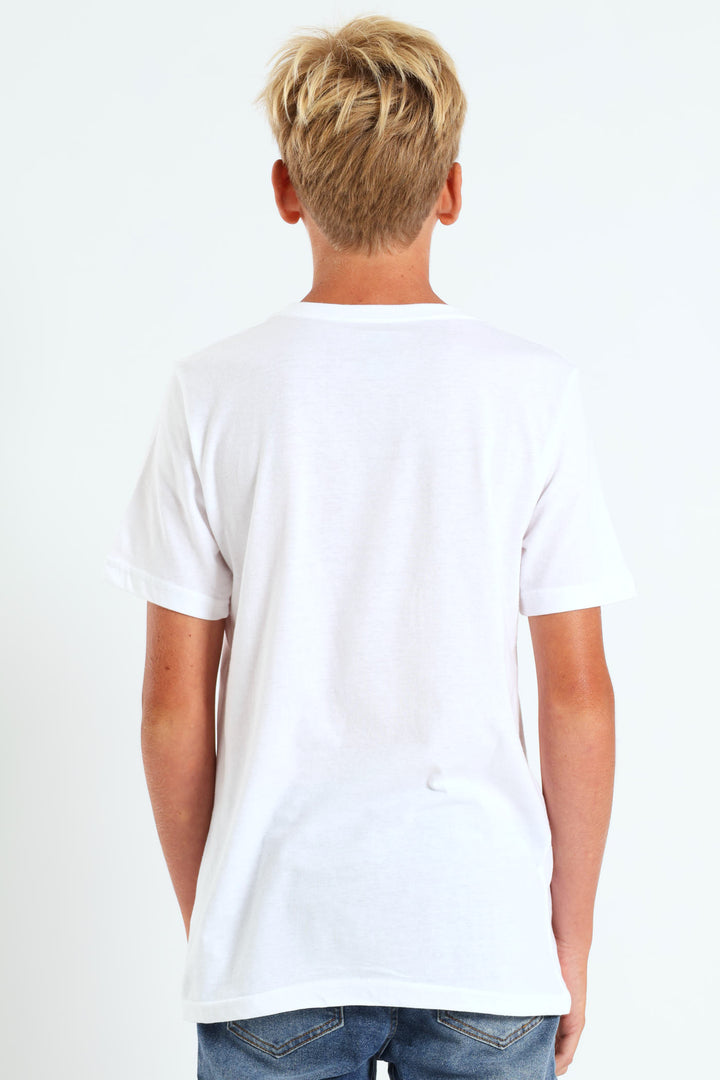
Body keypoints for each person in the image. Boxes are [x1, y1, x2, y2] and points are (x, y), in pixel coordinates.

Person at [103, 14, 637, 1080]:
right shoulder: (531, 394)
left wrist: (223, 929)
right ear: (451, 190)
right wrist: (567, 942)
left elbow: (172, 708)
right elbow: (578, 697)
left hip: (277, 946)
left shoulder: (214, 394)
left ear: (285, 190)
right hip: (482, 945)